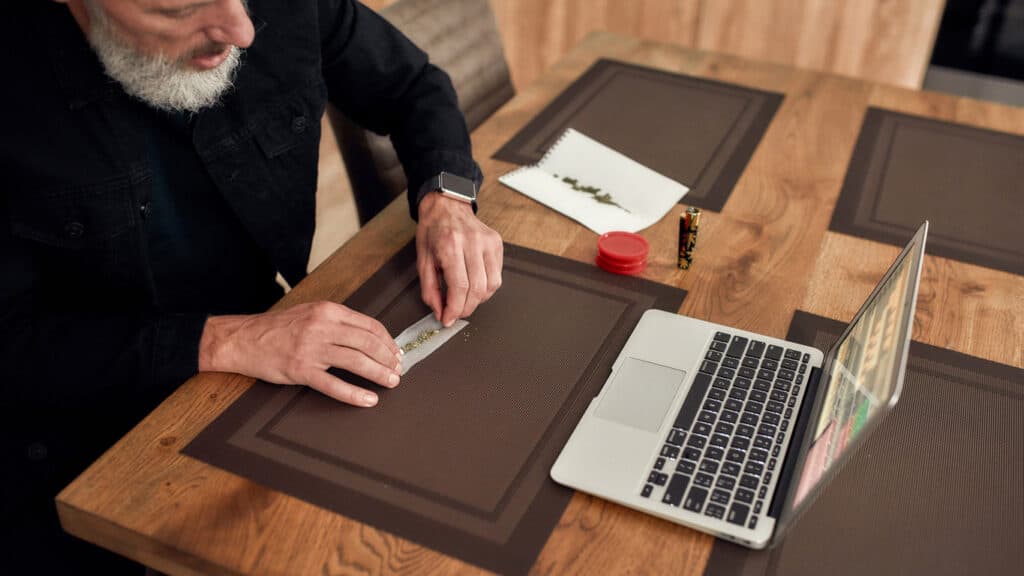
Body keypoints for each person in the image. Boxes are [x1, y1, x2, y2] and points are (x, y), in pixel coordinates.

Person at [1, 0, 503, 572]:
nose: (242, 31)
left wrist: (448, 200)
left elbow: (411, 85)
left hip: (265, 365)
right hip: (82, 437)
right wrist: (228, 340)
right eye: (185, 8)